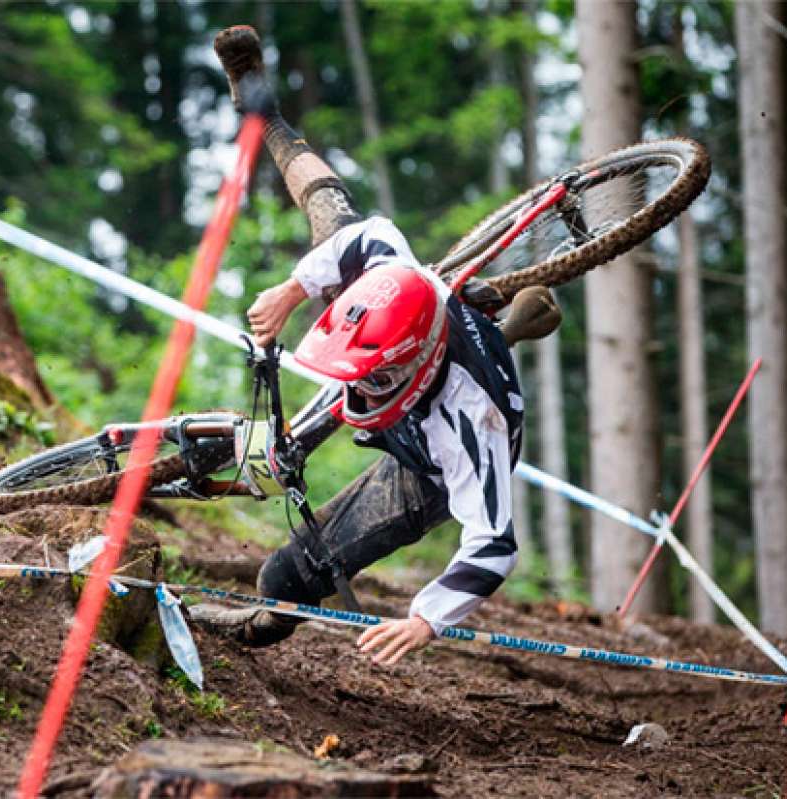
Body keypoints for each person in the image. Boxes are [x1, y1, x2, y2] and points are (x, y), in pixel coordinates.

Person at [193, 25, 541, 666]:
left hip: (423, 465)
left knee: (290, 574)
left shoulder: (471, 430)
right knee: (329, 207)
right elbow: (365, 236)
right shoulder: (387, 273)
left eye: (376, 380)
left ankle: (254, 628)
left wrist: (426, 618)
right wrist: (294, 290)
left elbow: (494, 542)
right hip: (413, 324)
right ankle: (263, 111)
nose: (361, 387)